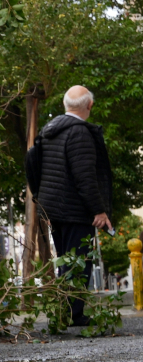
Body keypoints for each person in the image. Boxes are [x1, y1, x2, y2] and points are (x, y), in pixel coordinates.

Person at [35, 85, 113, 326]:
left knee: (66, 261)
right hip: (74, 210)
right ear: (89, 106)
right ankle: (74, 314)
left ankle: (65, 311)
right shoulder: (79, 133)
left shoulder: (48, 131)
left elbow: (33, 166)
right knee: (78, 261)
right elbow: (85, 176)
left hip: (53, 209)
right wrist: (98, 210)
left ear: (65, 105)